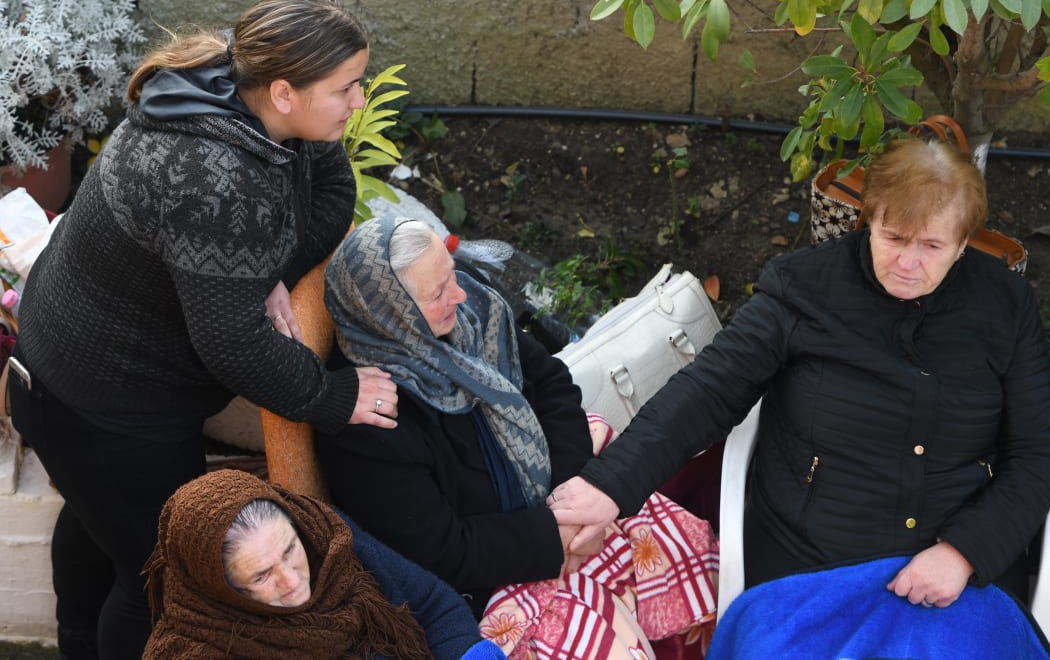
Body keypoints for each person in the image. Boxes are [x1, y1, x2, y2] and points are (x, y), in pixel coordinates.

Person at [6, 0, 399, 660]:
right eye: (345, 89)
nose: (357, 102)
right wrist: (338, 396)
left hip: (70, 375)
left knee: (105, 524)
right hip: (101, 406)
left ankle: (77, 644)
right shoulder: (210, 178)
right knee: (163, 579)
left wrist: (264, 263)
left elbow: (335, 193)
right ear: (283, 93)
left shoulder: (235, 78)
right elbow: (232, 342)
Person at [548, 138, 1050, 612]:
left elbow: (1035, 454)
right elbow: (709, 390)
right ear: (868, 219)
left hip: (953, 578)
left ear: (963, 244)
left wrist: (963, 553)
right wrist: (609, 486)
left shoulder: (1005, 306)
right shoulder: (803, 287)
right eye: (893, 237)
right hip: (811, 559)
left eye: (933, 246)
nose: (908, 262)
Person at [319, 216, 720, 659]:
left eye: (451, 272)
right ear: (390, 316)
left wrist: (572, 492)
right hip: (495, 578)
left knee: (691, 560)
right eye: (437, 293)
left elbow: (552, 384)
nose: (460, 294)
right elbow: (442, 551)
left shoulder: (476, 316)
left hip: (558, 501)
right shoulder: (369, 423)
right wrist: (555, 535)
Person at [142, 468, 505, 659]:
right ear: (220, 589)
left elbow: (432, 603)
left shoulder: (326, 538)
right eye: (262, 574)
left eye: (288, 551)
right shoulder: (199, 650)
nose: (291, 581)